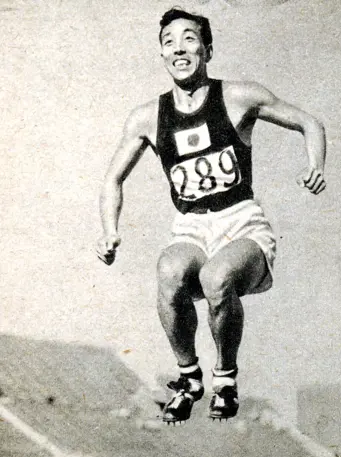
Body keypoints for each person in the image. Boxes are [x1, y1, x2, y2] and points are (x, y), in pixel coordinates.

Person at [98, 8, 326, 424]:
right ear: (162, 54)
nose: (179, 48)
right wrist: (109, 231)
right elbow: (113, 179)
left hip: (241, 221)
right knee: (168, 270)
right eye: (169, 41)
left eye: (189, 38)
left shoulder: (239, 96)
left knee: (217, 278)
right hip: (191, 225)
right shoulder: (147, 117)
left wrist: (315, 165)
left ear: (207, 49)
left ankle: (226, 377)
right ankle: (188, 377)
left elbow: (308, 121)